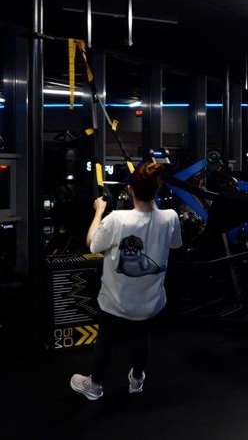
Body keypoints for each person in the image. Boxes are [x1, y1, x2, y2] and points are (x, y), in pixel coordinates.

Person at [70, 162, 183, 401]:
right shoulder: (170, 217)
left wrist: (99, 211)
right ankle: (137, 380)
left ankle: (95, 385)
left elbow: (92, 244)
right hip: (149, 301)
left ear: (130, 189)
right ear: (157, 188)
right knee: (141, 337)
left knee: (105, 339)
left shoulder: (116, 219)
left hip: (115, 300)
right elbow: (175, 244)